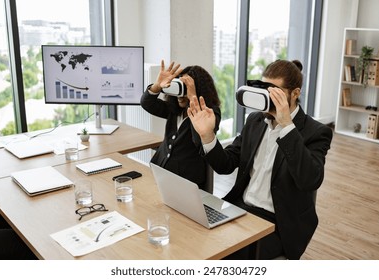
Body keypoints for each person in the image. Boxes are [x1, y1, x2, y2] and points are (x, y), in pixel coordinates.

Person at [187, 59, 333, 259]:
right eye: (264, 89)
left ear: (295, 93)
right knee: (193, 238)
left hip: (278, 223)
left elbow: (310, 179)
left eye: (275, 92)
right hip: (240, 208)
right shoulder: (255, 121)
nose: (267, 97)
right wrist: (208, 136)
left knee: (225, 255)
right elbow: (226, 165)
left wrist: (287, 126)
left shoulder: (316, 132)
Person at [141, 60, 221, 190]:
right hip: (159, 170)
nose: (180, 96)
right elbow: (147, 103)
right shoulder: (175, 110)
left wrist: (192, 98)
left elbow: (199, 141)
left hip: (186, 180)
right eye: (178, 88)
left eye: (185, 90)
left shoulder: (210, 114)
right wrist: (157, 86)